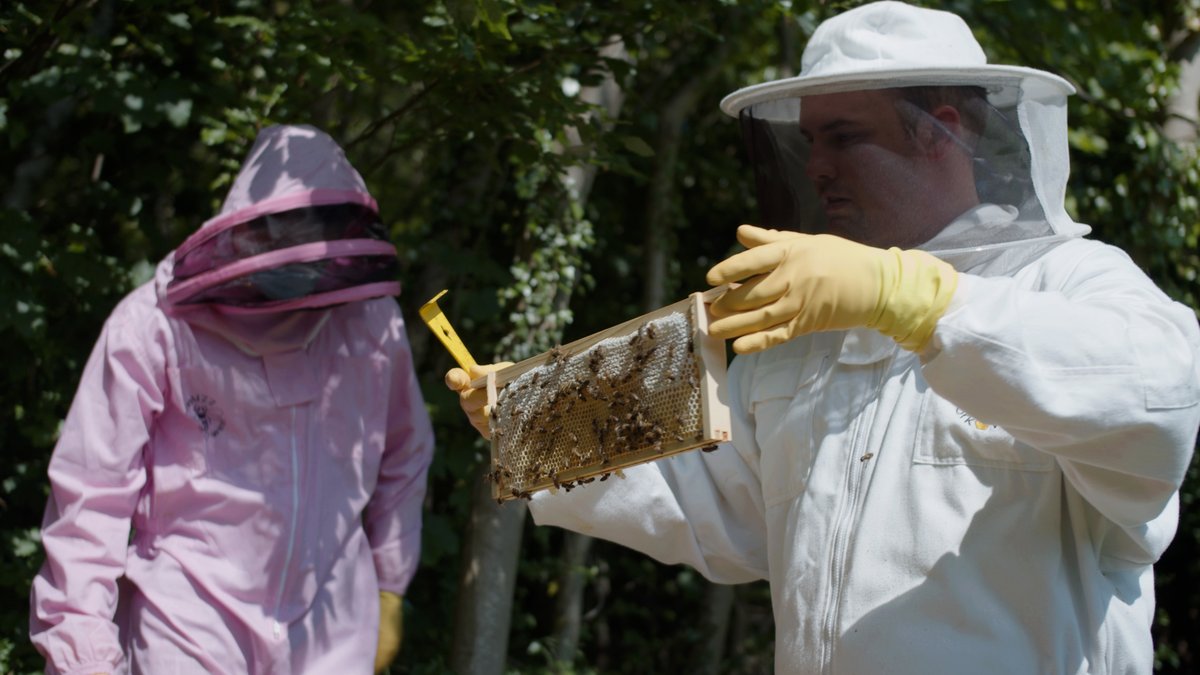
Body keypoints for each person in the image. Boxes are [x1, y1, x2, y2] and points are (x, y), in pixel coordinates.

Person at [446, 2, 1200, 673]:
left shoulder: (1071, 280)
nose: (817, 167)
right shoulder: (807, 336)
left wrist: (914, 299)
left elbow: (1157, 401)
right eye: (810, 140)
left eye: (844, 136)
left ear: (947, 128)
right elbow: (725, 501)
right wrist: (543, 424)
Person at [30, 124, 435, 674]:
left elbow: (404, 451)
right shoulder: (152, 326)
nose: (303, 282)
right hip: (189, 617)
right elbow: (92, 493)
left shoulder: (369, 322)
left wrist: (390, 584)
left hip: (332, 619)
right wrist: (82, 651)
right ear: (248, 233)